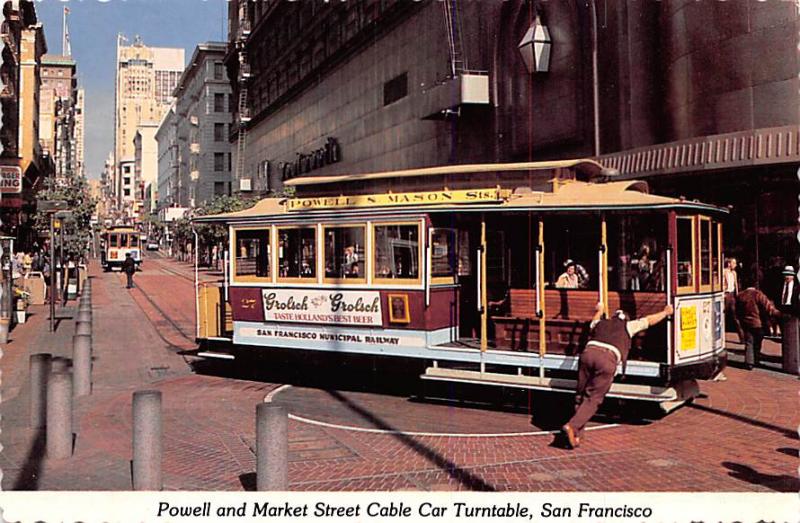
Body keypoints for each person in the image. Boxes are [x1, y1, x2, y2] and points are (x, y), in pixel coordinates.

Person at [561, 301, 674, 449]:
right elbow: (648, 321)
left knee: (580, 395)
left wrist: (600, 310)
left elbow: (593, 322)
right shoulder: (628, 326)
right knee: (593, 399)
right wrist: (665, 312)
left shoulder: (601, 323)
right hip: (607, 359)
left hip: (588, 354)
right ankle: (572, 426)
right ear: (626, 318)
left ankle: (577, 435)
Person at [735, 286, 781, 370]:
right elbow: (768, 307)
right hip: (757, 323)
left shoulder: (740, 295)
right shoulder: (758, 294)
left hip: (745, 322)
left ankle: (749, 362)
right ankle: (755, 359)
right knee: (757, 341)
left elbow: (737, 310)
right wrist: (778, 314)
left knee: (749, 342)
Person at [723, 257, 744, 343]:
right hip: (726, 294)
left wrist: (737, 295)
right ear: (729, 264)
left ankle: (742, 338)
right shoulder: (724, 272)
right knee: (723, 315)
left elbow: (736, 284)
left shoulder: (734, 273)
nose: (735, 265)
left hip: (732, 295)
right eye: (733, 263)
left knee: (736, 316)